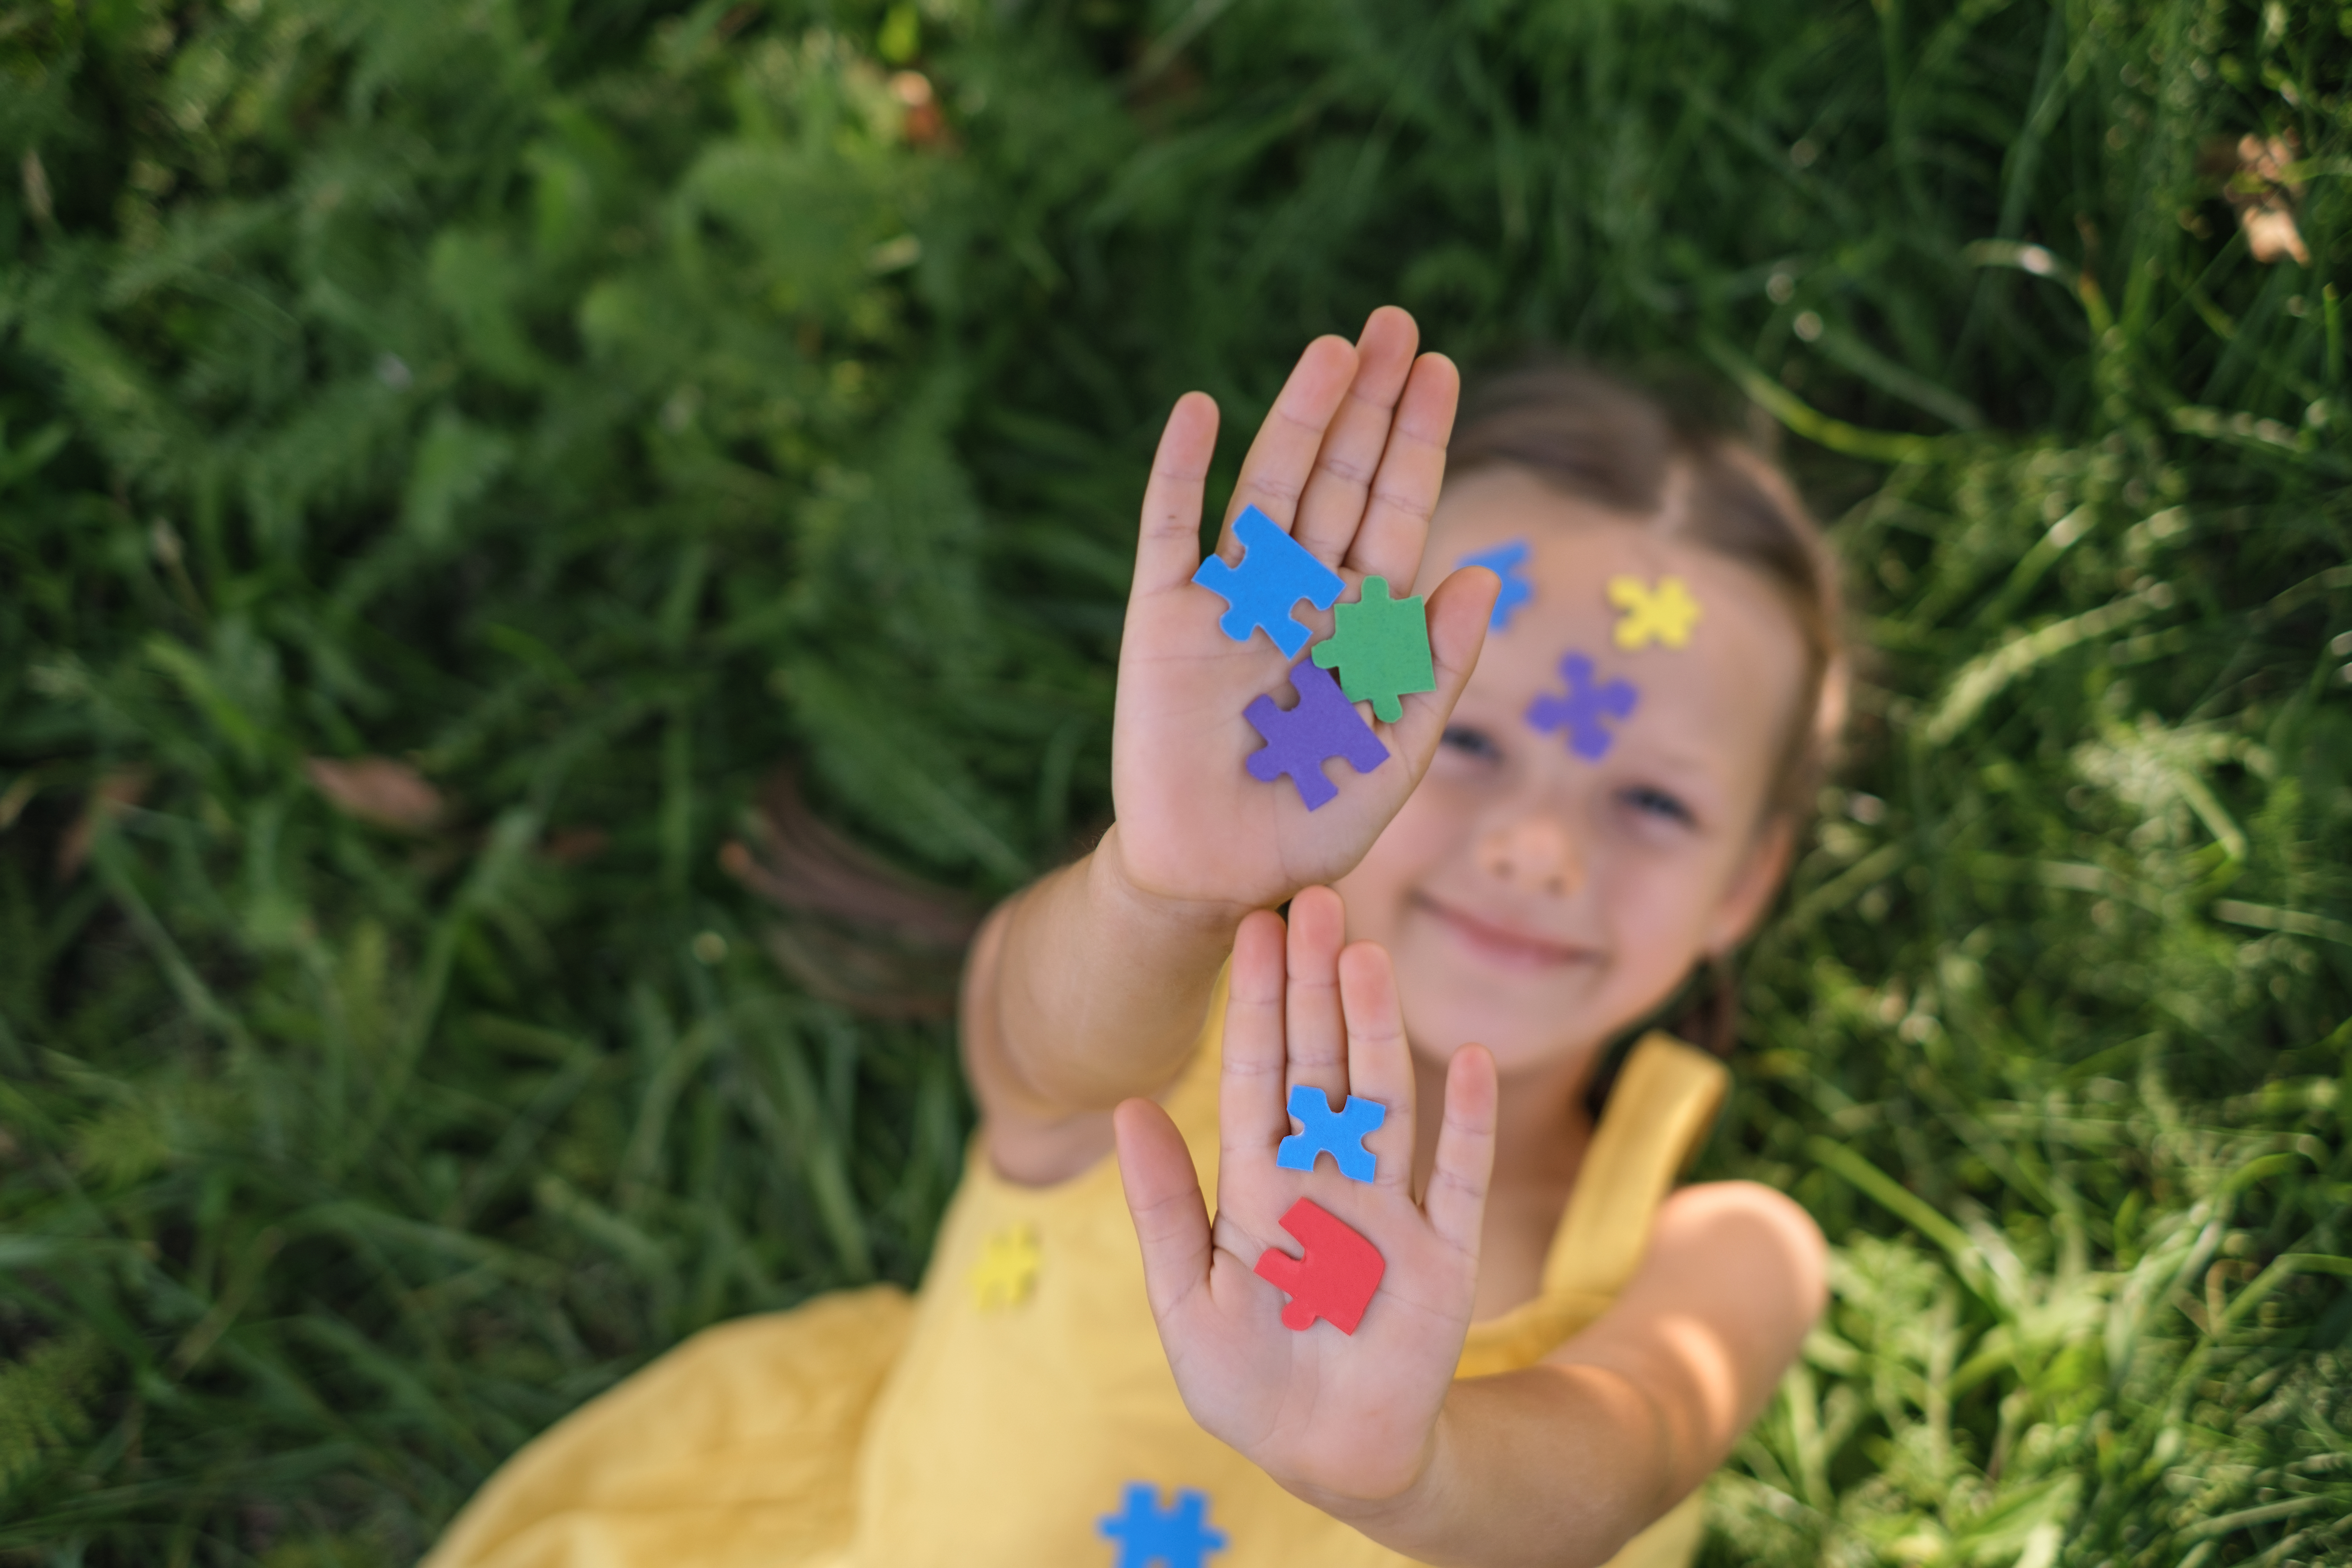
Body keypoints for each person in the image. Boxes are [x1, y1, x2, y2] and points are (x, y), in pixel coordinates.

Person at [424, 307, 1847, 1568]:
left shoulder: (1719, 1251)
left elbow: (1620, 1458)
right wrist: (1166, 890)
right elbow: (1025, 1039)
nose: (1541, 844)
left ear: (1746, 882)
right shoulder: (1161, 1015)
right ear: (1343, 720)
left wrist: (1413, 1475)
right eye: (1460, 739)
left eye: (1653, 799)